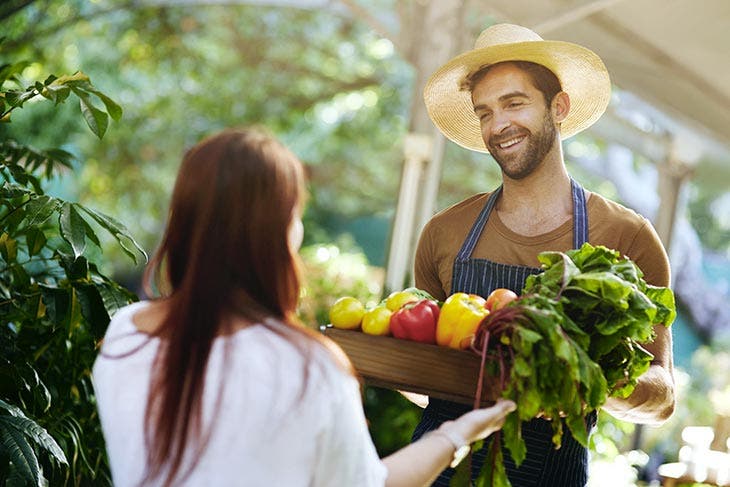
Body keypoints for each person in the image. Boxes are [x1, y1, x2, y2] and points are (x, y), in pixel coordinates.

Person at [92, 127, 516, 487]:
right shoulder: (307, 365)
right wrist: (459, 433)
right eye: (294, 214)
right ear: (276, 232)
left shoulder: (125, 332)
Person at [409, 23, 676, 486]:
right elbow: (420, 382)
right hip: (437, 474)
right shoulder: (444, 232)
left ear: (559, 107)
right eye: (485, 112)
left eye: (514, 103)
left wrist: (585, 375)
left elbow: (661, 396)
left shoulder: (626, 238)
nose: (499, 125)